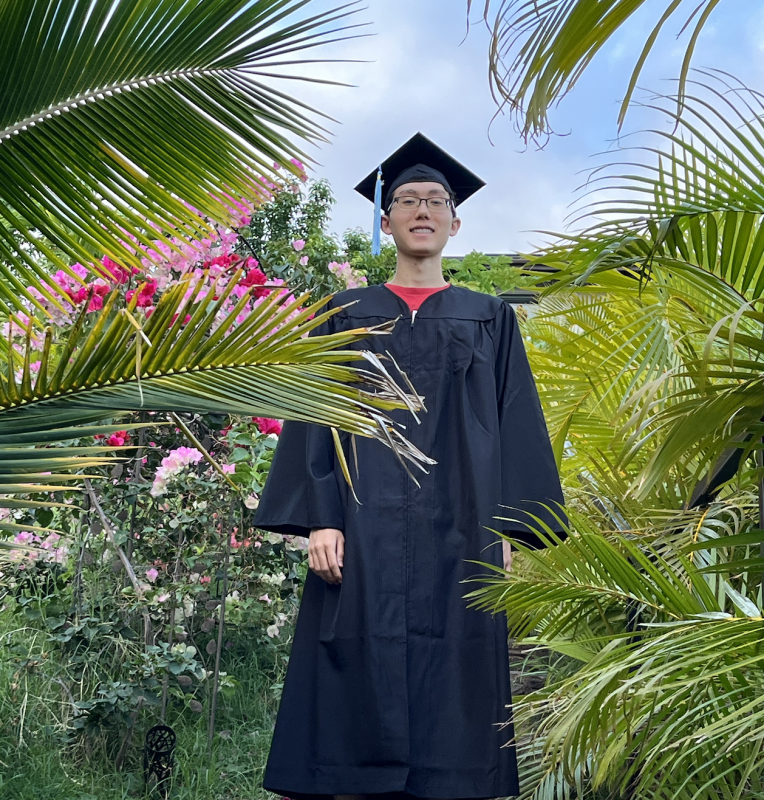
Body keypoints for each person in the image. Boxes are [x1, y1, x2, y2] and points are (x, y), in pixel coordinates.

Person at [254, 132, 566, 800]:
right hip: (359, 529)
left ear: (456, 222)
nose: (422, 210)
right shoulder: (344, 315)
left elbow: (519, 425)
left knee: (457, 666)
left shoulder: (489, 320)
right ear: (387, 219)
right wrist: (320, 519)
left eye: (435, 201)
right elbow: (318, 417)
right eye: (407, 200)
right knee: (353, 660)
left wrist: (511, 533)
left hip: (465, 529)